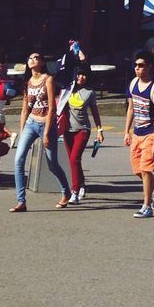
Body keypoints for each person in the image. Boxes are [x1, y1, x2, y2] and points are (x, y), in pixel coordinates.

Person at [9, 51, 72, 212]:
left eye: (36, 58)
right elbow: (24, 109)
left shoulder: (48, 79)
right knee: (18, 160)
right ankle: (21, 201)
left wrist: (46, 134)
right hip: (31, 123)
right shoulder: (27, 82)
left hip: (47, 125)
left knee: (52, 164)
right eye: (30, 58)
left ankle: (66, 192)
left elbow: (52, 108)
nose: (32, 60)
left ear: (42, 62)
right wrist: (22, 131)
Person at [124, 49, 154, 218]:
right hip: (137, 132)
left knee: (146, 170)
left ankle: (146, 206)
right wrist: (126, 131)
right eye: (135, 65)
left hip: (151, 132)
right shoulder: (133, 84)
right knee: (137, 170)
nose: (137, 68)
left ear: (149, 67)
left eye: (141, 66)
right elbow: (131, 108)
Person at [60, 64, 105, 203]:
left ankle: (74, 191)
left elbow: (95, 112)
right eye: (79, 74)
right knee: (74, 161)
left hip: (82, 130)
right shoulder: (67, 89)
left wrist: (99, 130)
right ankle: (82, 184)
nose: (81, 77)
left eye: (84, 74)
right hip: (67, 130)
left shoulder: (89, 92)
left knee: (74, 159)